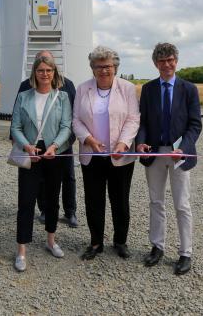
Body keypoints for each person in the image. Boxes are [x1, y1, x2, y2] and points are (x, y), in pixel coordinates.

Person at [136, 43, 202, 275]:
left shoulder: (189, 89)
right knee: (156, 201)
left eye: (170, 59)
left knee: (182, 204)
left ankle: (185, 253)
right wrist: (140, 142)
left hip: (179, 156)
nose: (167, 65)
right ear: (155, 64)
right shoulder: (149, 89)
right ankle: (157, 246)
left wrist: (183, 148)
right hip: (155, 154)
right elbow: (142, 121)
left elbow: (195, 124)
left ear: (176, 61)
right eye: (162, 61)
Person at [72, 45, 140, 260]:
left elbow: (133, 118)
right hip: (92, 155)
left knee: (120, 200)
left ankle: (120, 241)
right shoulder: (83, 89)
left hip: (120, 156)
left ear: (115, 67)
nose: (104, 70)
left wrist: (124, 142)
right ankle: (95, 242)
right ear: (92, 68)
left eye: (108, 66)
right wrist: (88, 139)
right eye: (99, 66)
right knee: (94, 200)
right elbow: (76, 120)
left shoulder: (127, 88)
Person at [10, 55, 72, 272]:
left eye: (49, 70)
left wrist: (55, 145)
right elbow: (15, 127)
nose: (45, 74)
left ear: (54, 73)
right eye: (40, 70)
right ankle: (21, 250)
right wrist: (26, 146)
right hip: (31, 153)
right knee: (25, 202)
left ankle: (51, 240)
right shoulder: (24, 97)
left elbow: (66, 126)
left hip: (53, 154)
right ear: (34, 73)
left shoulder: (62, 97)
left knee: (52, 199)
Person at [15, 50, 78, 228]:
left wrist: (64, 141)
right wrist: (17, 140)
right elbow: (17, 114)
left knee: (68, 176)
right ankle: (44, 209)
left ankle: (70, 211)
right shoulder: (25, 86)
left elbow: (72, 115)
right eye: (39, 66)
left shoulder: (67, 85)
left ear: (53, 67)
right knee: (41, 179)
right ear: (35, 68)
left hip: (62, 143)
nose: (44, 72)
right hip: (35, 142)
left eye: (48, 66)